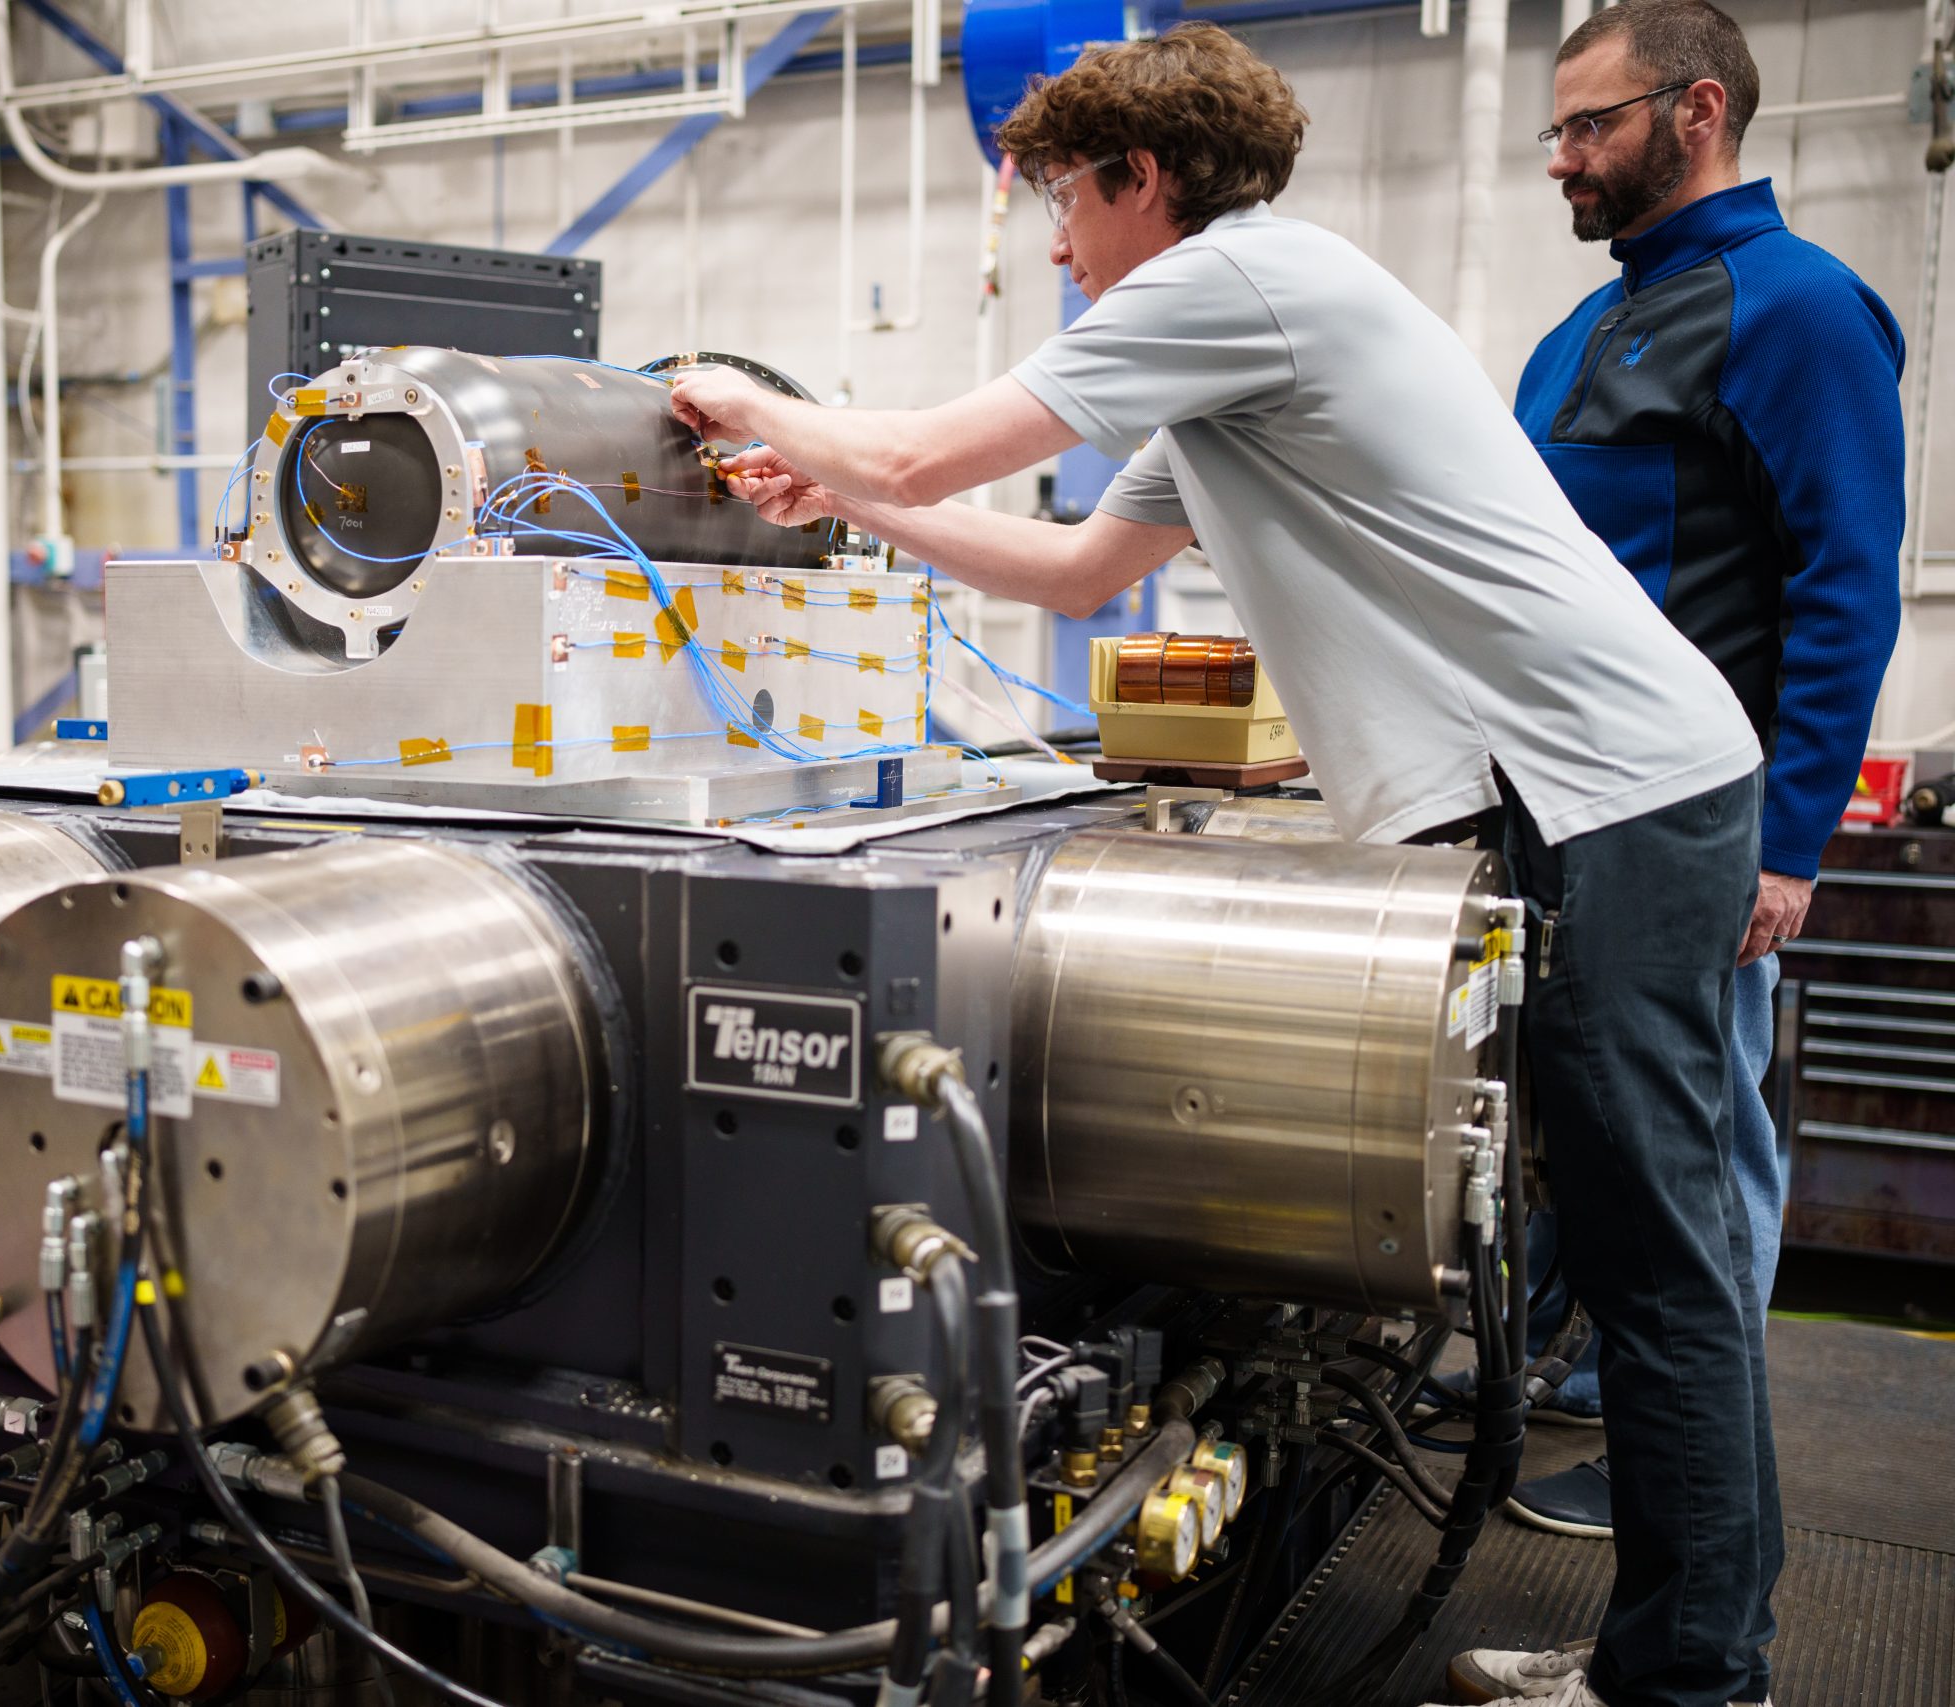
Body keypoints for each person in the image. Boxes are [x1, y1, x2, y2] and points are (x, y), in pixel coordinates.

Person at [667, 24, 1773, 1707]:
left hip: (1612, 789)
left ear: (1141, 179)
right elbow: (1070, 566)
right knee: (1634, 1245)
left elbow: (910, 450)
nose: (1055, 243)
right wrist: (850, 501)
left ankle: (1694, 1684)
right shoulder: (1233, 332)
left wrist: (759, 407)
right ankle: (1670, 1663)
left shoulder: (1232, 282)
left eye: (1063, 201)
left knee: (1656, 1260)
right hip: (1577, 793)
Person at [1484, 0, 1905, 1565]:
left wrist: (1786, 847)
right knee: (1612, 1177)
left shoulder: (1793, 308)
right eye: (1557, 131)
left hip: (1694, 839)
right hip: (1569, 826)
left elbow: (1847, 589)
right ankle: (1620, 1414)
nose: (1563, 162)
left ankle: (1700, 1547)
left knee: (1700, 1194)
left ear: (1698, 112)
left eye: (1590, 127)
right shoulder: (1590, 328)